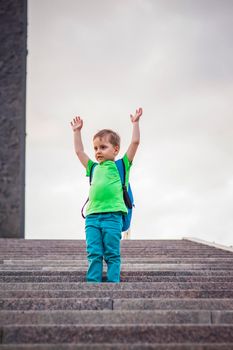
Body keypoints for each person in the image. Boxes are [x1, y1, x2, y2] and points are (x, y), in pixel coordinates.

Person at [70, 108, 143, 282]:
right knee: (94, 253)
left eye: (103, 147)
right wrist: (77, 132)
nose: (98, 151)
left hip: (113, 216)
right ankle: (93, 283)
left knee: (111, 253)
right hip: (92, 217)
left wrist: (135, 123)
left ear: (116, 149)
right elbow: (80, 152)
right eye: (95, 148)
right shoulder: (93, 167)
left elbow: (135, 143)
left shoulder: (122, 166)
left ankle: (113, 284)